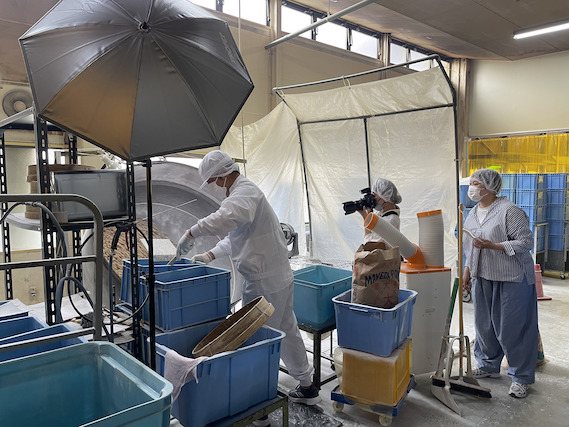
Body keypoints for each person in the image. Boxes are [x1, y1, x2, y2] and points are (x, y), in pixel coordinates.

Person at [175, 150, 320, 411]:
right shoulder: (243, 195)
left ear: (221, 176)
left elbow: (226, 218)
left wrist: (192, 231)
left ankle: (256, 400)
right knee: (286, 330)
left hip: (264, 281)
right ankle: (307, 385)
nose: (213, 187)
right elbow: (236, 236)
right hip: (275, 277)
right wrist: (210, 254)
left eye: (212, 181)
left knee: (257, 341)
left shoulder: (245, 192)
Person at [462, 168, 538, 399]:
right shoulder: (473, 212)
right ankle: (488, 365)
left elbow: (526, 242)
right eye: (471, 183)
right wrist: (467, 271)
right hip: (482, 275)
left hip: (512, 277)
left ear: (489, 187)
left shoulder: (509, 211)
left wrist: (493, 246)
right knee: (484, 325)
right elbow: (470, 246)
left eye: (476, 183)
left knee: (513, 328)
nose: (471, 188)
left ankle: (521, 377)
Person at [358, 177, 402, 244]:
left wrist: (365, 218)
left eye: (374, 195)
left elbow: (370, 244)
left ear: (385, 197)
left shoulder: (391, 220)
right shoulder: (381, 213)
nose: (372, 198)